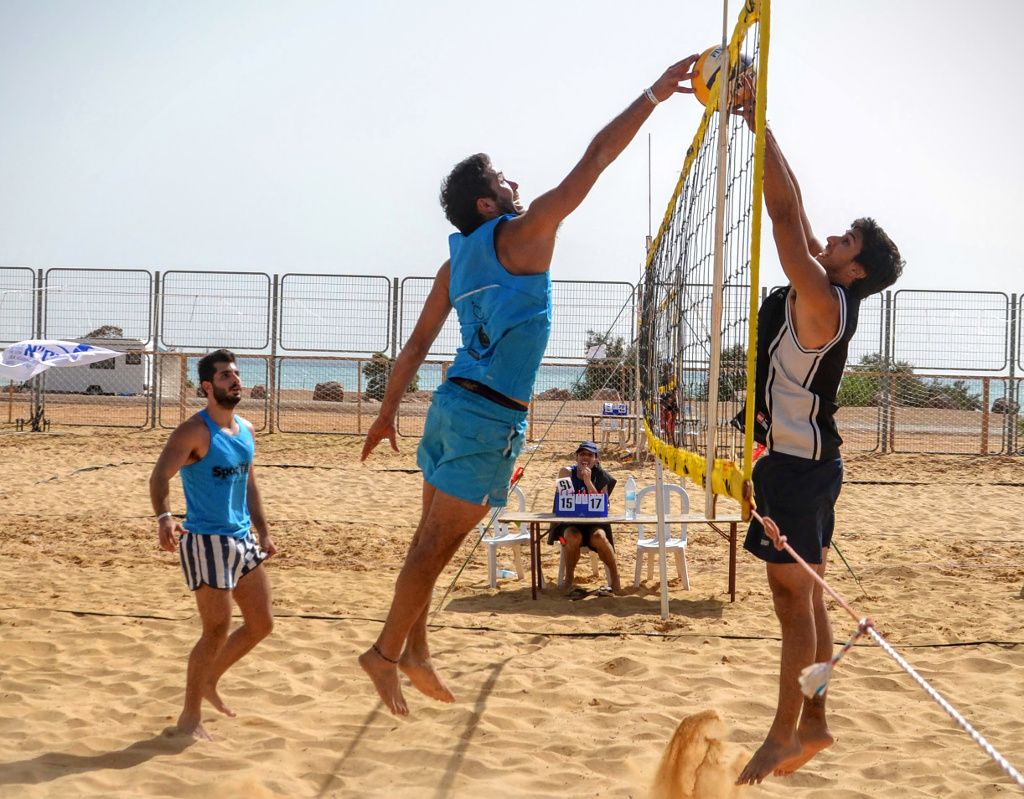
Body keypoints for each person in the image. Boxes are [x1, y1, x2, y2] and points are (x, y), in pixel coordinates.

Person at [358, 53, 700, 716]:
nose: (515, 180)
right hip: (487, 420)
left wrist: (385, 413)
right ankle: (384, 653)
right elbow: (596, 159)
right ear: (489, 203)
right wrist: (654, 94)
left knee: (424, 542)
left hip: (450, 406)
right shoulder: (524, 232)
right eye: (502, 177)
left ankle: (417, 651)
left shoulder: (453, 260)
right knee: (433, 548)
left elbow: (416, 345)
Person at [732, 78, 904, 784]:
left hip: (796, 467)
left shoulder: (821, 298)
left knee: (790, 598)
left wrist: (756, 119)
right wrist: (759, 127)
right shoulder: (829, 288)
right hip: (813, 459)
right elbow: (796, 208)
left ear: (854, 268)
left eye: (844, 240)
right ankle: (820, 721)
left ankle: (782, 733)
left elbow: (781, 217)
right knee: (812, 588)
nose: (829, 237)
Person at [149, 349, 276, 740]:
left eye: (235, 374)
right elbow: (159, 477)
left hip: (242, 541)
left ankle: (209, 680)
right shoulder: (194, 430)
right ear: (207, 386)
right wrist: (165, 518)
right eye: (224, 376)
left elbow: (249, 484)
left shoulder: (247, 429)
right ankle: (189, 718)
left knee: (262, 624)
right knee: (216, 630)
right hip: (205, 541)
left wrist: (264, 531)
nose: (234, 380)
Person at [547, 441, 620, 594]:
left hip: (593, 523)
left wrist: (588, 482)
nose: (585, 457)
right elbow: (564, 501)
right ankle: (569, 577)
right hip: (571, 522)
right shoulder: (566, 472)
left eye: (589, 455)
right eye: (582, 454)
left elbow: (603, 505)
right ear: (576, 457)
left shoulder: (601, 476)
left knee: (600, 536)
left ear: (596, 459)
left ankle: (615, 577)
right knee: (572, 537)